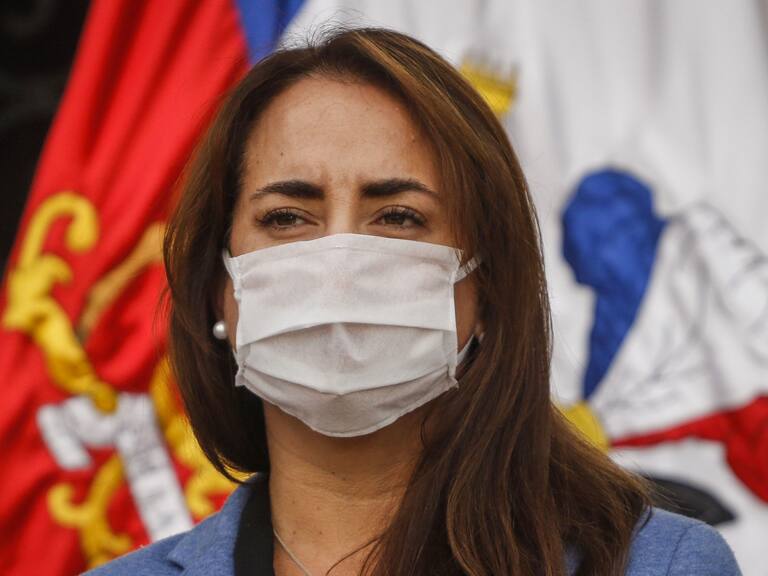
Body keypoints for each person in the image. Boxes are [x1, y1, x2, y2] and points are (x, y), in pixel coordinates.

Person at [88, 27, 741, 576]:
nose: (338, 265)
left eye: (398, 216)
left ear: (484, 288)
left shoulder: (660, 563)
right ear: (219, 290)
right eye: (287, 217)